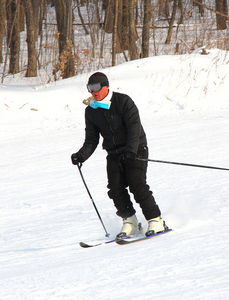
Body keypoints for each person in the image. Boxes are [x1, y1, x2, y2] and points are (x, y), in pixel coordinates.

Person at [71, 72, 168, 238]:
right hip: (114, 153)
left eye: (96, 87)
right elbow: (91, 140)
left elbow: (134, 128)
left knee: (136, 184)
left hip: (136, 149)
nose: (93, 92)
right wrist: (81, 155)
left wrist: (131, 151)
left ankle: (155, 219)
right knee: (115, 189)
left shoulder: (123, 101)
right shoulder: (91, 111)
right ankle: (130, 221)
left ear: (106, 86)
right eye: (89, 88)